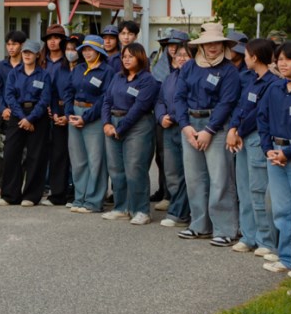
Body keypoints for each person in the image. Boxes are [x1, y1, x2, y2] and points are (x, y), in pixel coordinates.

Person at [173, 23, 241, 245]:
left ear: (223, 44)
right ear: (201, 45)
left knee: (220, 179)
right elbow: (179, 97)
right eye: (208, 42)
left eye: (217, 42)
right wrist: (185, 125)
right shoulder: (189, 67)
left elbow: (227, 102)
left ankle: (225, 229)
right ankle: (199, 225)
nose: (213, 46)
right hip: (190, 124)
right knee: (195, 179)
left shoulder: (229, 70)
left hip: (217, 126)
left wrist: (210, 130)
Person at [258, 41, 291, 277]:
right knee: (281, 210)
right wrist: (267, 148)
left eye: (288, 59)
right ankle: (287, 257)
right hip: (274, 154)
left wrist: (288, 152)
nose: (283, 63)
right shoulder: (274, 88)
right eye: (279, 59)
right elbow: (262, 119)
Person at [229, 38, 279, 256]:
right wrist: (233, 128)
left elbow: (259, 113)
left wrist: (238, 131)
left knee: (259, 190)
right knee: (244, 188)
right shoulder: (250, 79)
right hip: (241, 137)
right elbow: (241, 107)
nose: (244, 58)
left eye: (247, 54)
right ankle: (249, 236)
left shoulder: (272, 82)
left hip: (257, 138)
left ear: (255, 56)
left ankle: (266, 239)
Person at [103, 43, 159, 224]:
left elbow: (139, 107)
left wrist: (120, 129)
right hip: (114, 122)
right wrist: (106, 124)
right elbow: (107, 100)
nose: (126, 59)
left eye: (130, 56)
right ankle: (121, 207)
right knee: (116, 169)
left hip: (137, 125)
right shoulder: (118, 77)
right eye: (124, 56)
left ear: (140, 58)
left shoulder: (147, 80)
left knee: (135, 168)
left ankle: (141, 210)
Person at [0, 39, 50, 207]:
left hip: (37, 116)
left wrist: (31, 118)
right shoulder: (14, 73)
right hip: (17, 115)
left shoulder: (44, 75)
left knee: (36, 155)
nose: (27, 55)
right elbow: (9, 96)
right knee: (11, 153)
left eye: (30, 52)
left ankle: (31, 196)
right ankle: (9, 195)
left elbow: (45, 99)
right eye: (24, 52)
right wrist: (22, 118)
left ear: (37, 55)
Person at [64, 37, 112, 214]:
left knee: (96, 160)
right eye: (84, 49)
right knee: (78, 160)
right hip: (75, 114)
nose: (86, 52)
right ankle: (80, 197)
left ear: (99, 51)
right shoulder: (78, 69)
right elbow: (69, 91)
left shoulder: (107, 71)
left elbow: (105, 98)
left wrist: (86, 117)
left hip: (94, 117)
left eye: (90, 49)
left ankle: (94, 200)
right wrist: (69, 112)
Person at [0, 30, 26, 198]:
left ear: (21, 45)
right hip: (4, 112)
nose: (11, 47)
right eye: (8, 44)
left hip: (22, 113)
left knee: (23, 150)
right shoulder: (1, 65)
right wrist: (3, 109)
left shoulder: (28, 64)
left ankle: (19, 183)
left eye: (14, 44)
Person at [155, 38, 193, 227]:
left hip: (187, 128)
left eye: (186, 55)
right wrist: (161, 116)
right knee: (172, 172)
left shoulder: (194, 77)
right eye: (178, 55)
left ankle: (180, 213)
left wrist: (177, 117)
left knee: (188, 173)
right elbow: (160, 100)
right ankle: (176, 209)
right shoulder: (170, 78)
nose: (181, 58)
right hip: (169, 128)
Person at [41, 25, 73, 207]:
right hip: (43, 110)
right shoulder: (41, 61)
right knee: (47, 152)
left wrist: (63, 112)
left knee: (66, 152)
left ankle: (67, 190)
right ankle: (50, 188)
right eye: (50, 37)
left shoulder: (68, 62)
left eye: (57, 37)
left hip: (64, 110)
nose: (53, 41)